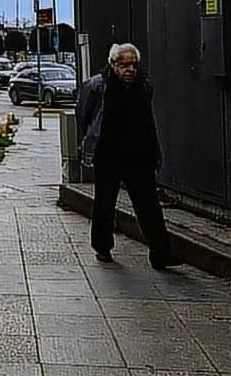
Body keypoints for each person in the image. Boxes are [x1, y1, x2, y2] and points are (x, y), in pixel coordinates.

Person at [76, 42, 179, 270]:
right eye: (124, 65)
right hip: (108, 155)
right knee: (105, 202)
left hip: (138, 155)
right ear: (113, 65)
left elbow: (148, 121)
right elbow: (84, 116)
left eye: (133, 64)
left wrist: (153, 152)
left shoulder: (144, 87)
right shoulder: (97, 86)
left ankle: (161, 253)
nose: (130, 69)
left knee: (149, 205)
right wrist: (90, 145)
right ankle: (102, 246)